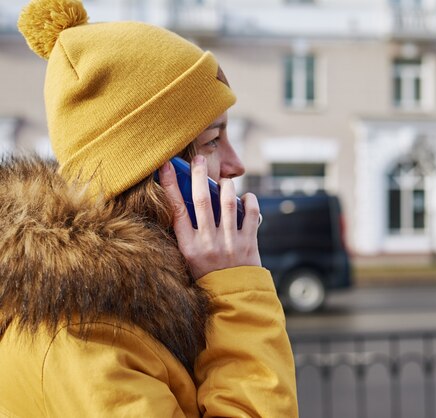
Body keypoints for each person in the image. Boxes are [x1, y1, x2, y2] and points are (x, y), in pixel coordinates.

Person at [0, 0, 298, 417]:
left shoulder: (124, 305)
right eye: (213, 141)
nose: (235, 164)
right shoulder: (84, 336)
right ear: (155, 171)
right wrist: (239, 293)